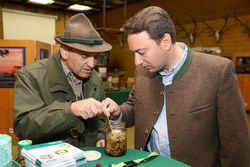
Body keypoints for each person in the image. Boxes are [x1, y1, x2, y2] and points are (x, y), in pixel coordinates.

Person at [102, 6, 249, 167]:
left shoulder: (218, 71)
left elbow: (236, 143)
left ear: (165, 42)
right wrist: (118, 112)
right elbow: (134, 107)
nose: (136, 61)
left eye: (142, 52)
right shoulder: (142, 71)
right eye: (133, 53)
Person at [13, 13, 112, 147]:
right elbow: (23, 128)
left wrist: (100, 135)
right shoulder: (30, 76)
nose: (92, 64)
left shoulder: (94, 78)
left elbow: (100, 118)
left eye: (95, 57)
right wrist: (70, 110)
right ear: (64, 51)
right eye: (84, 56)